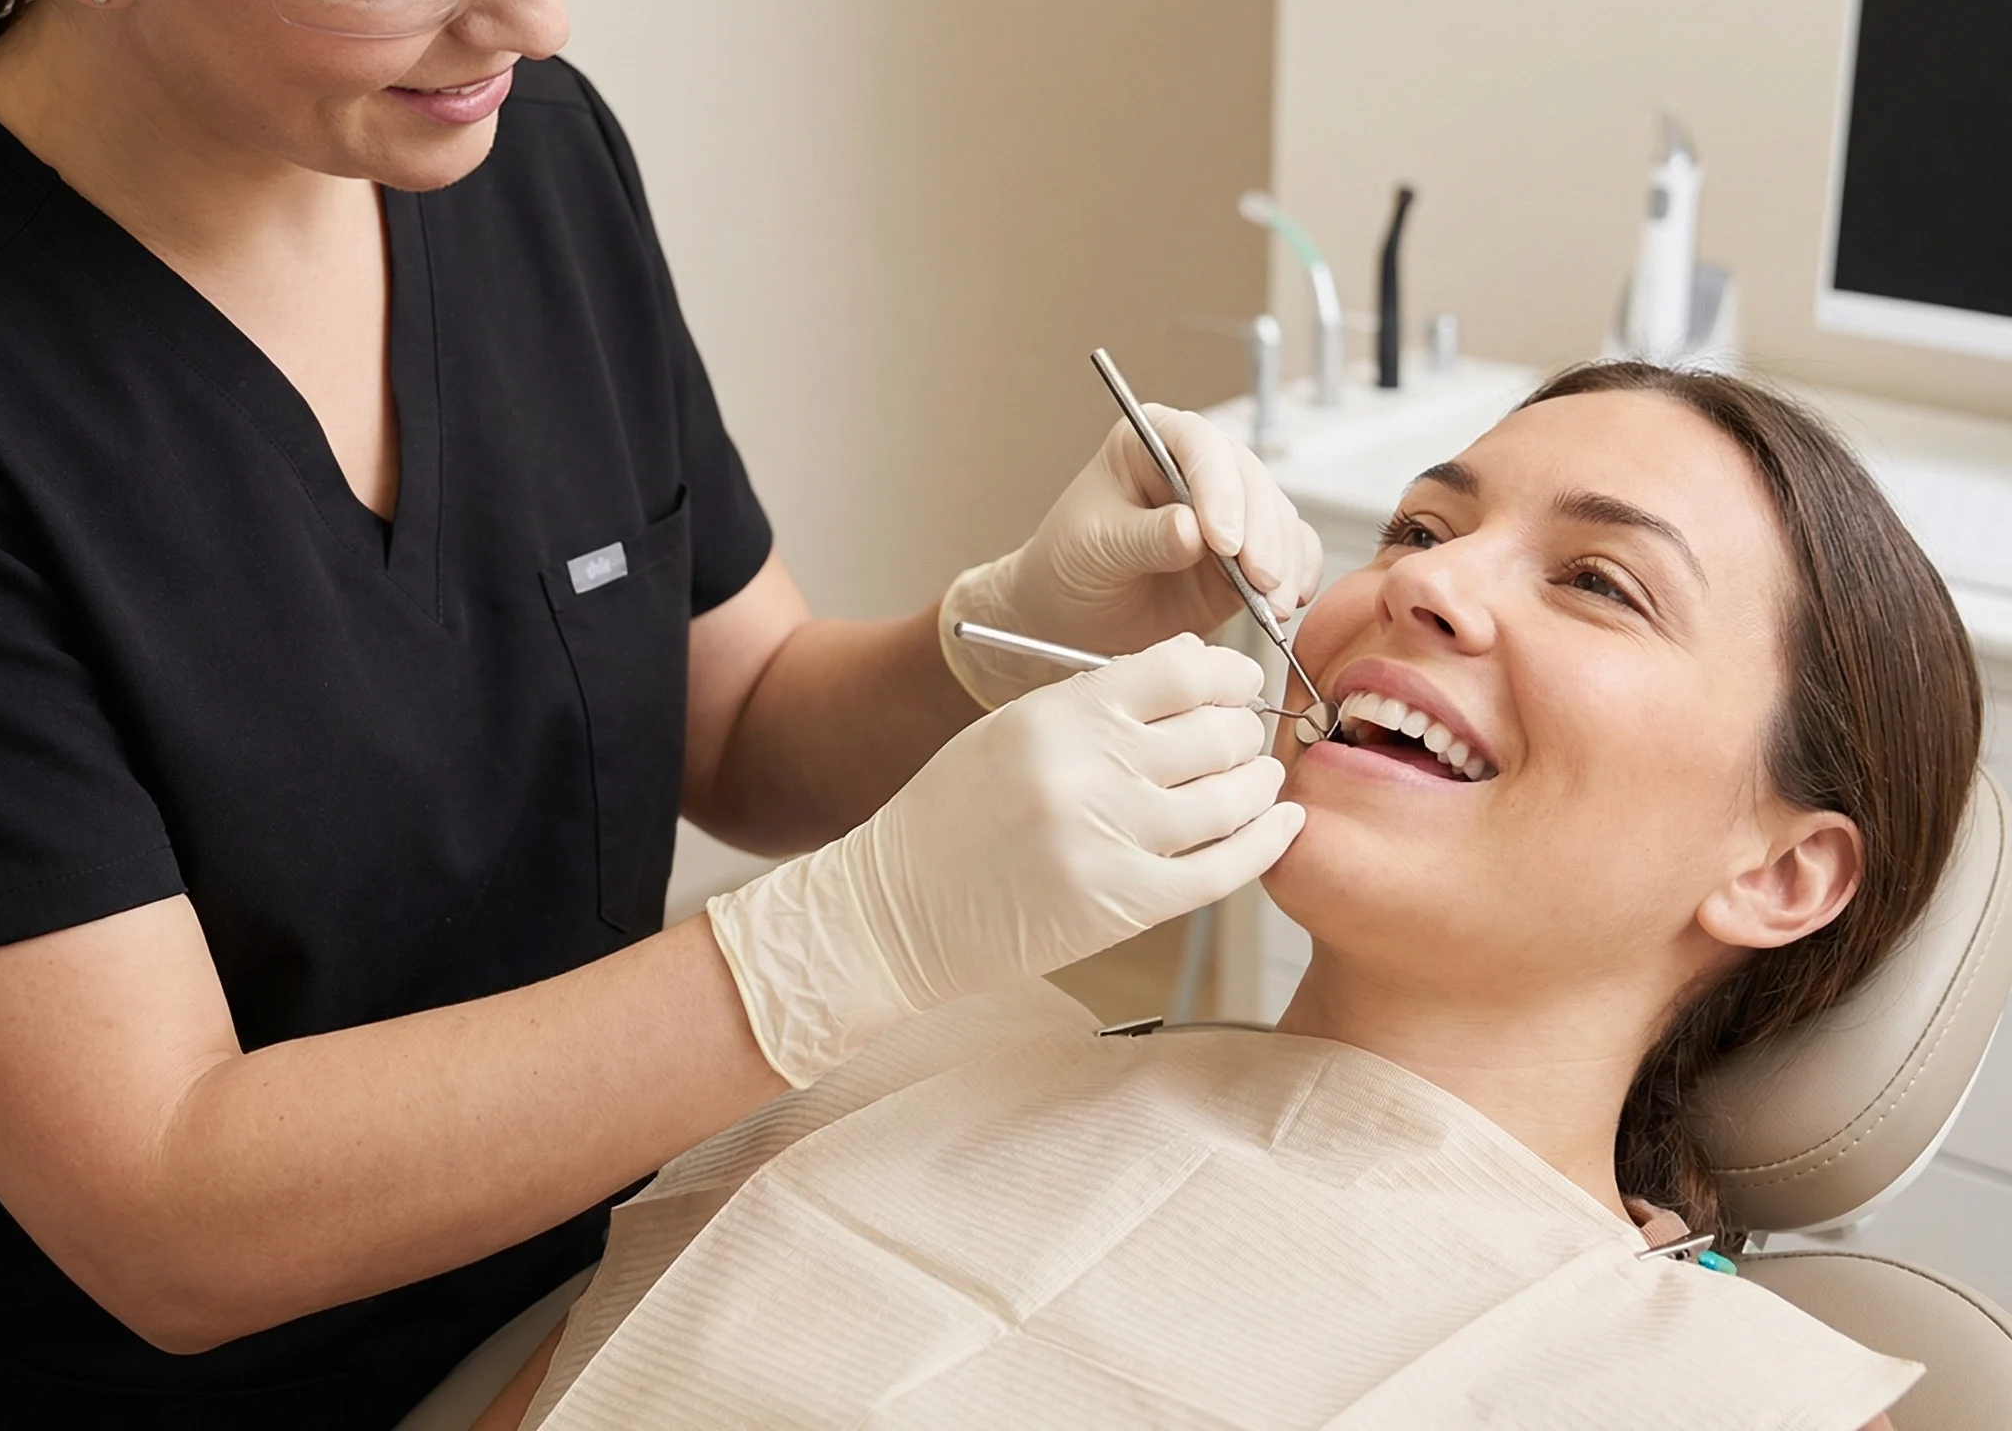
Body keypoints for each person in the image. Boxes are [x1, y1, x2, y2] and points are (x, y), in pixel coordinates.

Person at [0, 0, 1317, 1424]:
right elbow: (168, 1212)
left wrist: (1016, 629)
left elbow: (740, 728)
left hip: (626, 1294)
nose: (534, 8)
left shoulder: (526, 158)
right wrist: (832, 951)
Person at [503, 363, 1979, 1431]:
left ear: (1782, 873)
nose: (1430, 585)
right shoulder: (911, 1057)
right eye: (1419, 528)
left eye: (1598, 582)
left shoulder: (1725, 1403)